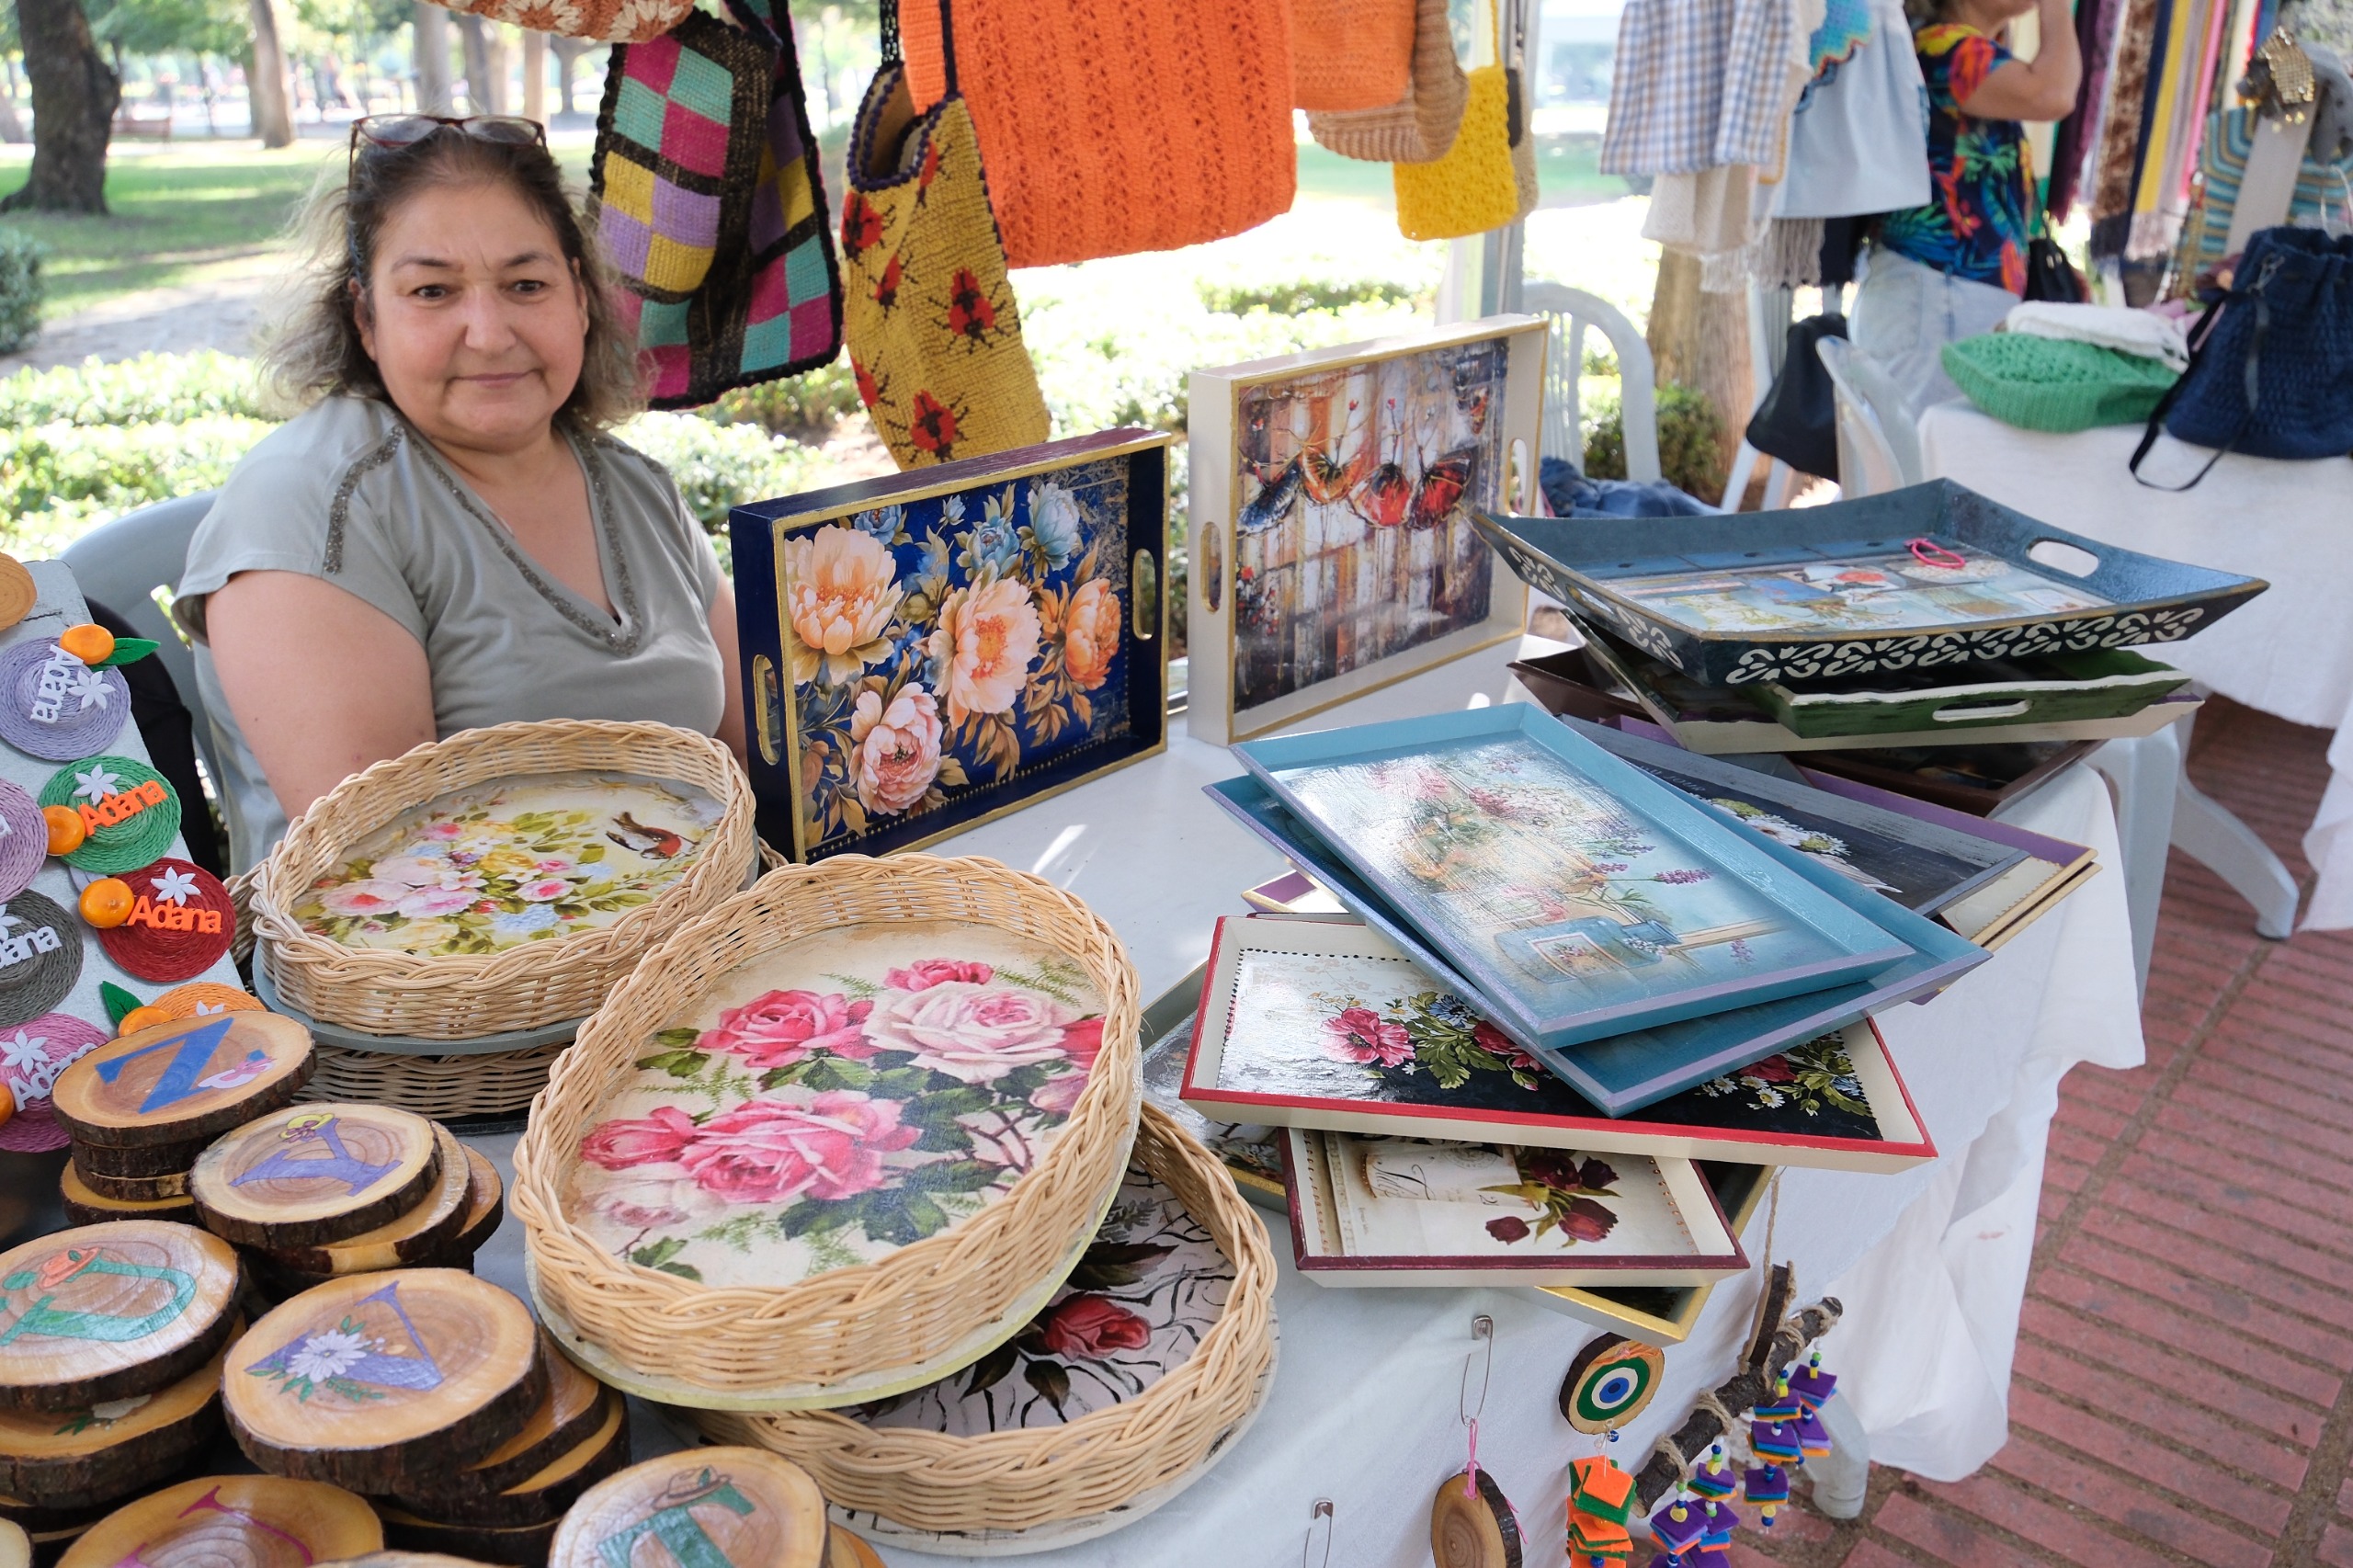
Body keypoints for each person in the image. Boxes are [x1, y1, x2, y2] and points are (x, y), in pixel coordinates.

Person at [175, 116, 745, 873]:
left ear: (579, 299)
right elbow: (388, 864)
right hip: (437, 945)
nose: (488, 331)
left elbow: (764, 755)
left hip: (699, 923)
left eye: (526, 285)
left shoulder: (636, 487)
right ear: (366, 319)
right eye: (433, 291)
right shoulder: (309, 505)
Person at [1848, 0, 2082, 418]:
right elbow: (2053, 94)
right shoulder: (1943, 47)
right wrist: (2058, 8)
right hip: (1938, 295)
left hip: (1939, 295)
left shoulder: (1955, 49)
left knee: (1919, 451)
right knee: (1923, 453)